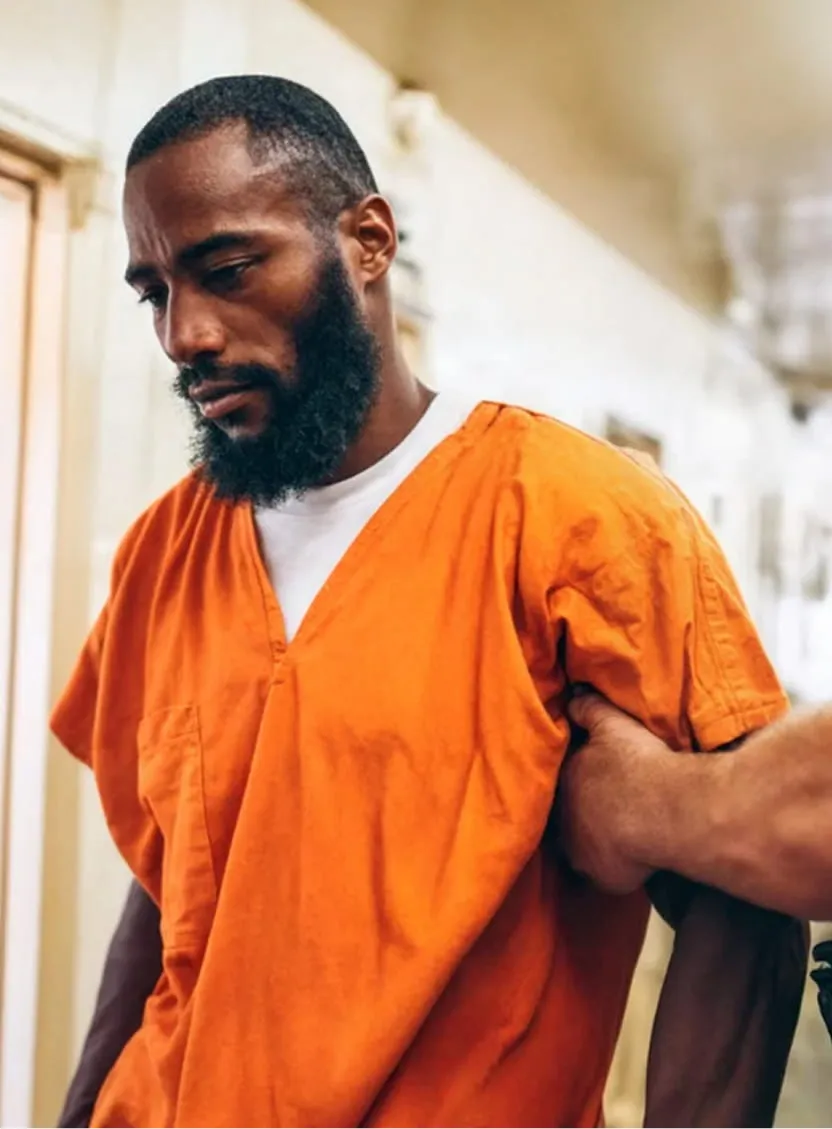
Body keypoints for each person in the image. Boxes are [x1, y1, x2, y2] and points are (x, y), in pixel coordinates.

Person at [53, 75, 806, 1129]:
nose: (185, 334)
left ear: (366, 240)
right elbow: (167, 881)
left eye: (225, 270)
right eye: (154, 293)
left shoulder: (576, 516)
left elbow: (745, 904)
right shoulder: (164, 551)